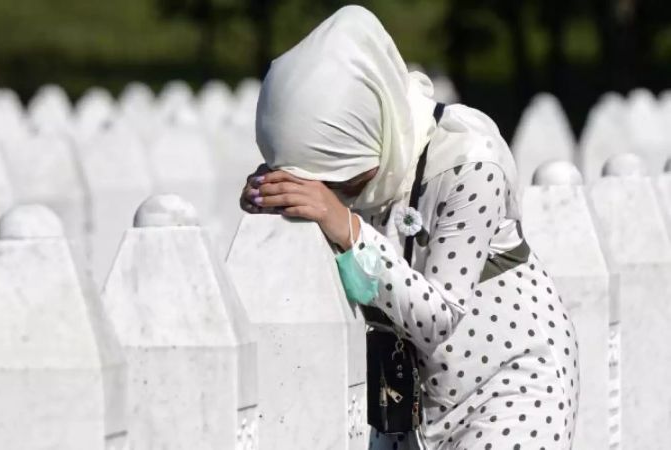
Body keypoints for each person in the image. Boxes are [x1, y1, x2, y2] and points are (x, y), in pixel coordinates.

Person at [239, 6, 579, 450]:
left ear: (371, 130)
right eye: (315, 183)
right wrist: (276, 203)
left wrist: (343, 224)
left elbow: (439, 316)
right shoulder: (358, 173)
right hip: (407, 403)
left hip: (510, 389)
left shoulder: (470, 162)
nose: (336, 195)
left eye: (342, 180)